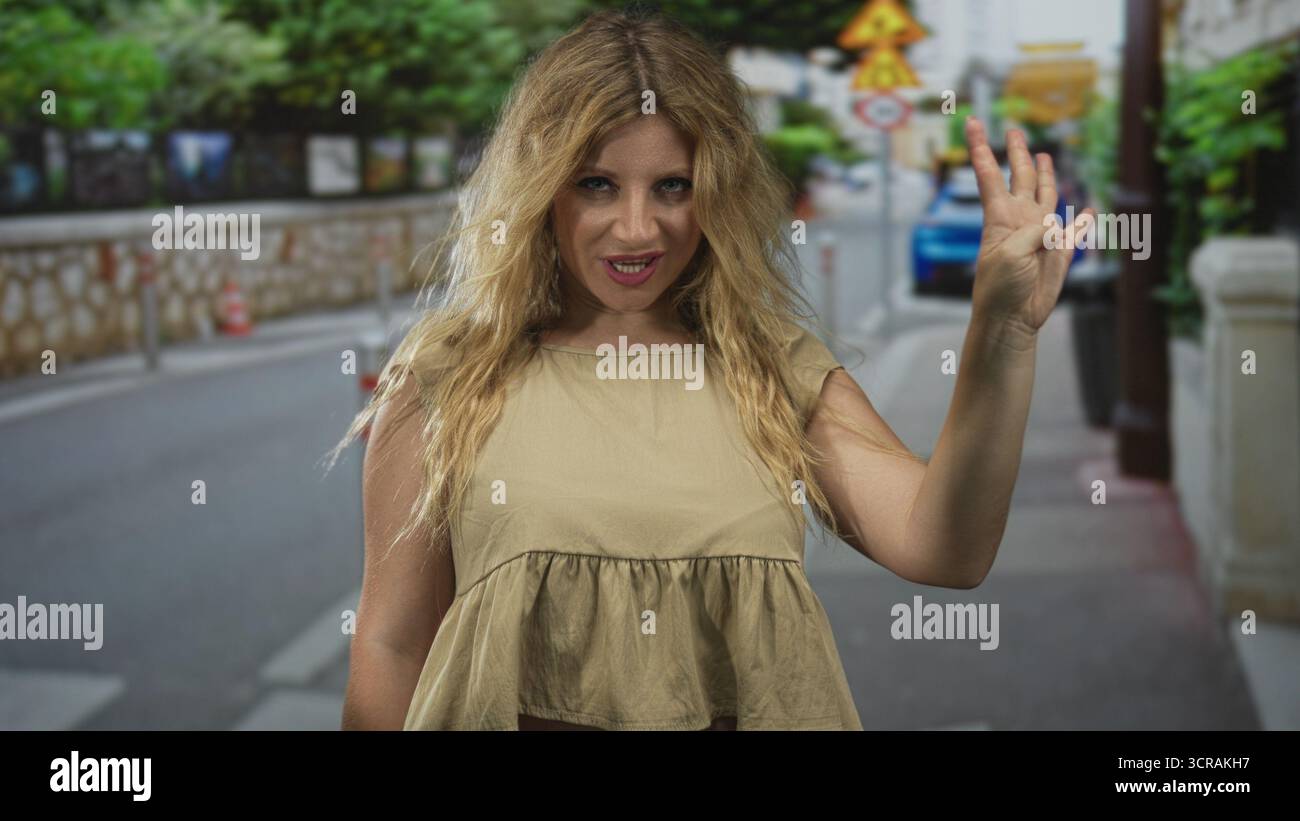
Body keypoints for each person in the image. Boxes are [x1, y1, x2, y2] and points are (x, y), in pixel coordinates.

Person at [331, 9, 1094, 731]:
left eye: (674, 186)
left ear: (715, 193)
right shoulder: (449, 377)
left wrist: (1001, 334)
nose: (638, 227)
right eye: (597, 183)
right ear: (543, 190)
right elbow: (391, 647)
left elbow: (946, 548)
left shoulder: (775, 370)